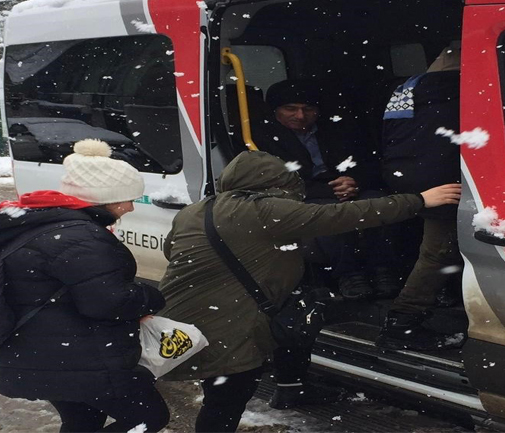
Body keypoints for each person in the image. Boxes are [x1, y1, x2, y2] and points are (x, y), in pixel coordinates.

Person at [157, 151, 461, 433]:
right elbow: (350, 215)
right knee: (231, 388)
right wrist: (420, 200)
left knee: (296, 317)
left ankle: (292, 387)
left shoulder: (197, 210)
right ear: (280, 182)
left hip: (187, 309)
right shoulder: (266, 209)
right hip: (228, 319)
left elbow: (172, 250)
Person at [0, 139, 169, 433]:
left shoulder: (47, 225)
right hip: (77, 361)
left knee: (81, 420)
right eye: (128, 198)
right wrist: (151, 296)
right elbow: (108, 302)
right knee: (148, 418)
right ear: (107, 199)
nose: (131, 207)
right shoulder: (83, 238)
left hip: (38, 354)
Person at [256, 79, 400, 300]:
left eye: (308, 109)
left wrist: (355, 181)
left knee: (380, 205)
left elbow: (371, 162)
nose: (300, 116)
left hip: (350, 187)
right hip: (307, 193)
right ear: (276, 110)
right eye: (290, 109)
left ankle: (383, 270)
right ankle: (348, 274)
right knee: (331, 216)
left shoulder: (337, 128)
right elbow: (277, 181)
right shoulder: (262, 138)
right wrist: (331, 191)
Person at [376, 43, 467, 352]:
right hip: (444, 179)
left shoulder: (407, 86)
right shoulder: (462, 86)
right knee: (438, 252)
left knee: (435, 247)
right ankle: (403, 320)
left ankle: (442, 297)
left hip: (405, 173)